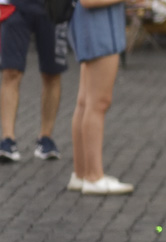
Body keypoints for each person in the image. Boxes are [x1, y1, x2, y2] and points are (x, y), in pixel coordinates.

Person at [66, 0, 133, 194]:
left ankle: (81, 174)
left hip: (92, 27)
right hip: (98, 29)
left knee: (86, 102)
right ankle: (94, 176)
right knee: (98, 103)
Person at [0, 0, 68, 163]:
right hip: (15, 6)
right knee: (11, 72)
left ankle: (46, 138)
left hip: (53, 7)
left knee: (52, 74)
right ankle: (8, 139)